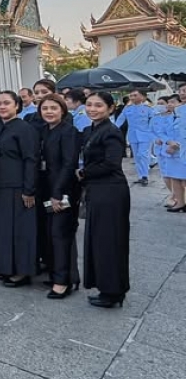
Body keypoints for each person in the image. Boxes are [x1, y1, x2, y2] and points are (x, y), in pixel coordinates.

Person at [78, 91, 130, 308]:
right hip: (97, 189)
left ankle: (113, 292)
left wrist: (83, 173)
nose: (92, 109)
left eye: (98, 105)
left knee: (110, 242)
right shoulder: (91, 129)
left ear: (110, 108)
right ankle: (106, 288)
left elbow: (111, 164)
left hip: (110, 191)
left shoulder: (111, 132)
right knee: (99, 241)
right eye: (89, 104)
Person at [0, 91, 39, 288]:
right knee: (4, 230)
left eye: (6, 103)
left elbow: (31, 160)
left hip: (18, 187)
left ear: (16, 106)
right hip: (0, 187)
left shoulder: (24, 128)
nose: (2, 107)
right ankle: (7, 267)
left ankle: (22, 272)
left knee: (21, 231)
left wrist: (29, 189)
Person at [37, 95, 80, 299]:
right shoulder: (44, 130)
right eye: (45, 108)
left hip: (63, 191)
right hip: (46, 189)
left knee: (60, 233)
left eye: (53, 108)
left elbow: (69, 164)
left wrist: (58, 193)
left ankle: (63, 281)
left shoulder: (69, 131)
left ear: (63, 110)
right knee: (50, 233)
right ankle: (56, 274)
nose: (49, 112)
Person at [115, 89, 154, 185]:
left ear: (142, 97)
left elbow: (154, 120)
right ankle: (140, 176)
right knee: (136, 156)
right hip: (132, 135)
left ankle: (145, 176)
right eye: (131, 96)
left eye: (135, 95)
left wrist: (152, 131)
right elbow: (121, 119)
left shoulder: (148, 107)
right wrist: (114, 128)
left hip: (145, 135)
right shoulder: (127, 108)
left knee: (142, 155)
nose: (132, 97)